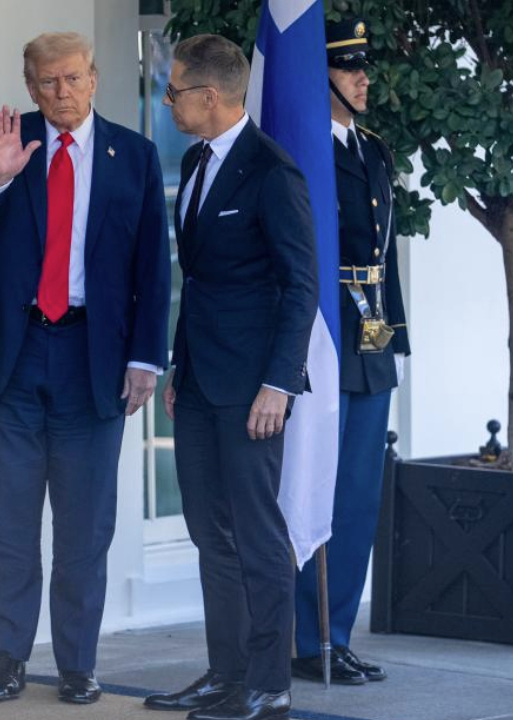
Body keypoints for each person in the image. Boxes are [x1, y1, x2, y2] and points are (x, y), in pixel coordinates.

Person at [0, 31, 170, 706]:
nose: (60, 92)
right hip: (12, 354)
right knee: (8, 522)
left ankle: (77, 664)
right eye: (46, 82)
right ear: (31, 85)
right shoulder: (6, 137)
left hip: (92, 358)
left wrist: (145, 359)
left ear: (95, 79)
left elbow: (153, 270)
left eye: (71, 78)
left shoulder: (134, 155)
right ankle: (7, 660)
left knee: (84, 526)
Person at [143, 34, 317, 720]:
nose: (168, 101)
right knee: (208, 530)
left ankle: (269, 680)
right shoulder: (194, 161)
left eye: (175, 89)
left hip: (253, 392)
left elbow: (300, 286)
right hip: (202, 380)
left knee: (255, 532)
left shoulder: (272, 172)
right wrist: (181, 366)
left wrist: (279, 382)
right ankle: (227, 672)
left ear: (208, 96)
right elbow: (204, 283)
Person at [291, 19, 411, 686]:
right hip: (318, 340)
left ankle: (336, 635)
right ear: (321, 77)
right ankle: (305, 638)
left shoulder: (373, 151)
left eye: (365, 66)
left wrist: (388, 342)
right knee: (315, 490)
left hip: (365, 345)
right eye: (349, 67)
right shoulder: (302, 153)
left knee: (358, 498)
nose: (365, 78)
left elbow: (382, 259)